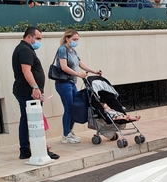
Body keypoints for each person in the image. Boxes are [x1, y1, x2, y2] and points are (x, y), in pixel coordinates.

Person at [11, 26, 59, 160]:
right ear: (29, 37)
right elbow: (26, 71)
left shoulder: (25, 49)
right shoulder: (25, 50)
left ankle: (26, 149)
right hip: (27, 92)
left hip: (26, 91)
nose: (39, 41)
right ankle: (37, 149)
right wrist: (35, 88)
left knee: (27, 120)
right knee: (34, 121)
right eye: (37, 38)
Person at [54, 29, 102, 143]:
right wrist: (78, 74)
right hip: (63, 83)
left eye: (77, 39)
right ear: (67, 38)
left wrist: (94, 71)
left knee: (74, 108)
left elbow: (80, 63)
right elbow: (64, 67)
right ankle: (66, 134)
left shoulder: (72, 51)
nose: (76, 41)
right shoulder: (62, 49)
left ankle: (69, 131)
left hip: (71, 83)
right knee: (69, 108)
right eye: (74, 39)